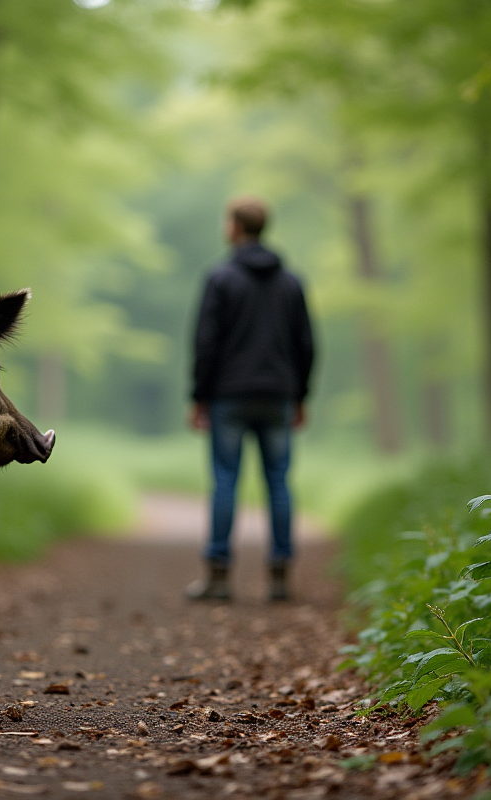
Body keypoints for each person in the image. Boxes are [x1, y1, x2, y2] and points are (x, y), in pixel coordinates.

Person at [187, 196, 315, 602]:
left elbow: (205, 343)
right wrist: (300, 395)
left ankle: (219, 576)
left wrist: (199, 395)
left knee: (225, 480)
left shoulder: (220, 278)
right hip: (278, 394)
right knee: (279, 482)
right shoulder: (291, 282)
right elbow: (306, 345)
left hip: (229, 396)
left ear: (236, 228)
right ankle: (280, 576)